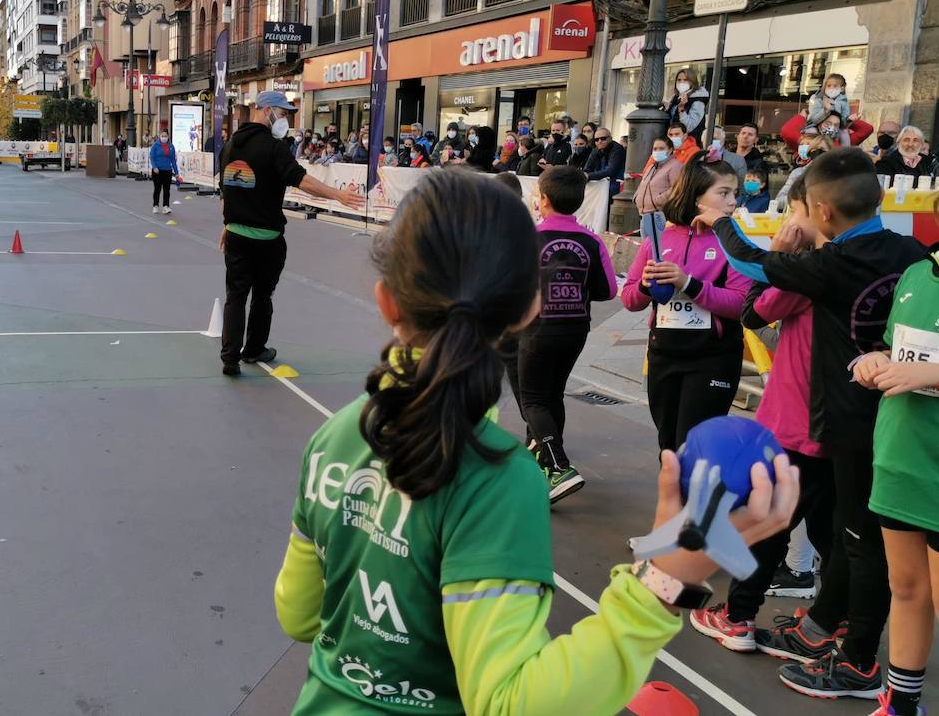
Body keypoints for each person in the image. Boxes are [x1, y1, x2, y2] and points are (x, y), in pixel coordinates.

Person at [273, 168, 798, 716]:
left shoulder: (334, 436)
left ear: (387, 302)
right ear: (528, 307)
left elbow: (300, 614)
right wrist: (664, 581)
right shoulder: (496, 480)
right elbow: (510, 705)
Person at [704, 147, 928, 699]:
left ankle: (858, 662)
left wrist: (719, 220)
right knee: (856, 538)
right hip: (895, 419)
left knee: (861, 544)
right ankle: (828, 628)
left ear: (822, 214)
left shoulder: (829, 265)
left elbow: (751, 268)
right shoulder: (910, 251)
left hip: (849, 423)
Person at [689, 179, 834, 655]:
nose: (789, 223)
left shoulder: (810, 271)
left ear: (820, 212)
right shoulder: (873, 260)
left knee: (769, 523)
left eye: (793, 213)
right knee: (831, 529)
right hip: (843, 422)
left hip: (796, 419)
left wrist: (776, 252)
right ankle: (834, 621)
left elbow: (756, 308)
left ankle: (739, 617)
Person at [852, 195, 939, 716]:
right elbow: (893, 348)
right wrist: (874, 360)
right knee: (906, 588)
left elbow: (923, 369)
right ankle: (900, 703)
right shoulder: (915, 275)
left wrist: (931, 375)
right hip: (899, 456)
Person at [217, 91, 364, 377]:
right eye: (283, 114)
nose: (285, 120)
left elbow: (228, 190)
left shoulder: (230, 146)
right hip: (267, 238)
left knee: (235, 296)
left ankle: (229, 358)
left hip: (236, 234)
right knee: (262, 295)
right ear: (267, 111)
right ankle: (254, 349)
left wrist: (227, 223)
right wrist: (337, 195)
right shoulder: (274, 148)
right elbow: (302, 180)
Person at [621, 152, 750, 452]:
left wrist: (687, 283)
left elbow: (741, 304)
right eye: (724, 193)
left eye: (735, 193)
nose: (733, 202)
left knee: (692, 446)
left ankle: (692, 499)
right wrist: (645, 285)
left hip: (713, 358)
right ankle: (673, 499)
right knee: (668, 446)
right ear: (695, 196)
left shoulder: (734, 241)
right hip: (664, 354)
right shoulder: (659, 238)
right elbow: (629, 299)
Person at [510, 166, 616, 502]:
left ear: (542, 199)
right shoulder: (592, 239)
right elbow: (609, 290)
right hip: (575, 329)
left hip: (536, 329)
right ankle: (544, 461)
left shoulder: (528, 238)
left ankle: (559, 466)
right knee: (553, 393)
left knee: (533, 398)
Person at [633, 136, 684, 225]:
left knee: (656, 239)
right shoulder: (652, 167)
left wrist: (659, 201)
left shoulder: (675, 166)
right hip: (644, 215)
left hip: (659, 216)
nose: (657, 151)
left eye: (661, 148)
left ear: (670, 150)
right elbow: (643, 184)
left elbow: (678, 189)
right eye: (655, 149)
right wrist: (636, 197)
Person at [665, 68, 710, 142]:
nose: (681, 83)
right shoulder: (676, 98)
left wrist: (681, 109)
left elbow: (689, 127)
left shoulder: (697, 100)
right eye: (679, 80)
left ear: (692, 81)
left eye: (685, 80)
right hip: (673, 141)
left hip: (690, 143)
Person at [802, 73, 851, 137]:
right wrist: (825, 110)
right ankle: (804, 147)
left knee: (845, 135)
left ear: (842, 88)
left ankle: (844, 147)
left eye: (835, 86)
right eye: (829, 85)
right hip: (815, 127)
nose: (831, 88)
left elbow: (843, 123)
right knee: (810, 135)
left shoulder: (844, 102)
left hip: (833, 129)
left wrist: (849, 120)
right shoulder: (817, 98)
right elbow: (814, 120)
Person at [584, 127, 626, 197]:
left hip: (616, 183)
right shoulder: (596, 150)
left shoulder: (617, 149)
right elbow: (588, 168)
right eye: (596, 140)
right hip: (603, 183)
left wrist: (588, 176)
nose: (599, 141)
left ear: (610, 139)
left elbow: (610, 171)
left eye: (603, 138)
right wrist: (582, 174)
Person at [149, 129, 177, 214]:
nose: (164, 137)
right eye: (162, 136)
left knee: (167, 190)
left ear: (168, 136)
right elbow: (152, 157)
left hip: (167, 170)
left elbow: (173, 160)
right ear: (160, 136)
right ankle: (155, 205)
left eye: (165, 136)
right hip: (157, 171)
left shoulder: (171, 146)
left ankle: (166, 206)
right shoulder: (155, 145)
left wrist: (176, 172)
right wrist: (154, 167)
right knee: (157, 189)